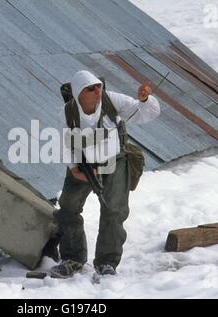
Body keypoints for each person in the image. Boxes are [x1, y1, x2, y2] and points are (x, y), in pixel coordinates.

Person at [50, 70, 160, 278]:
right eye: (91, 88)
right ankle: (72, 259)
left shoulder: (112, 100)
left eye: (98, 86)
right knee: (68, 207)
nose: (97, 91)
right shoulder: (66, 113)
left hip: (114, 162)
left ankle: (107, 262)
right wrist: (75, 169)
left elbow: (143, 113)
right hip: (83, 165)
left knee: (114, 211)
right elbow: (65, 145)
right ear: (79, 93)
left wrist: (145, 100)